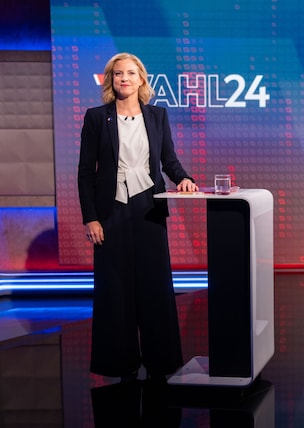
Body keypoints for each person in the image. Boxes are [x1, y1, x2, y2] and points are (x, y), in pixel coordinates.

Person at [78, 52, 198, 382]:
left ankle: (162, 359)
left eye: (131, 73)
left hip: (148, 208)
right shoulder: (95, 117)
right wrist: (91, 218)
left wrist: (184, 178)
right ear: (109, 80)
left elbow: (168, 161)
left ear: (142, 79)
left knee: (155, 286)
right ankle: (119, 362)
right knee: (114, 288)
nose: (124, 78)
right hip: (110, 212)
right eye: (118, 74)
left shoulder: (157, 116)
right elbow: (86, 173)